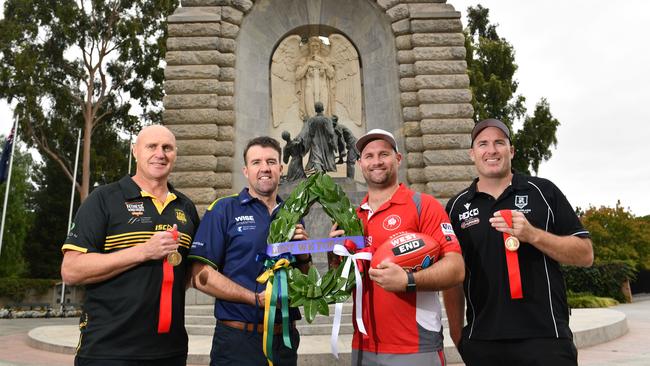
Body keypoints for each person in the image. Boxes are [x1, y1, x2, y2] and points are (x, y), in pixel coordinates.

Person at [443, 118, 594, 366]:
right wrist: (458, 334)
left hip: (546, 338)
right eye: (483, 144)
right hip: (484, 341)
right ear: (472, 154)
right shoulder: (457, 207)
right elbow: (453, 278)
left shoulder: (543, 192)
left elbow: (585, 255)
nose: (491, 150)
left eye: (499, 143)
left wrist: (533, 235)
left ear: (511, 150)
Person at [60, 125, 200, 366]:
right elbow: (71, 270)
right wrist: (143, 252)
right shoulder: (103, 199)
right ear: (134, 151)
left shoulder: (185, 207)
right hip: (108, 350)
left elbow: (186, 273)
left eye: (167, 148)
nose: (160, 154)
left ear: (175, 154)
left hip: (170, 351)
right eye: (151, 146)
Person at [330, 128, 465, 365]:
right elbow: (343, 283)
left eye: (384, 154)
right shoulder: (351, 217)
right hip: (363, 347)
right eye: (369, 156)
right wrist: (334, 254)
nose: (376, 162)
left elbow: (456, 268)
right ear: (360, 164)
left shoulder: (424, 205)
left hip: (414, 346)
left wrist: (408, 281)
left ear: (398, 159)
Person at [188, 136, 312, 366]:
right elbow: (198, 275)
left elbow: (302, 279)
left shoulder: (293, 215)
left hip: (284, 342)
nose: (264, 168)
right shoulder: (223, 210)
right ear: (246, 170)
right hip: (237, 342)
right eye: (256, 162)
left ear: (281, 168)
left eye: (271, 162)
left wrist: (304, 256)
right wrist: (255, 299)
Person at [295, 36, 335, 118]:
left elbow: (331, 74)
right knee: (311, 114)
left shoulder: (326, 60)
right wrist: (308, 64)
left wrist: (321, 61)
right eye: (312, 46)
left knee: (323, 113)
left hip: (323, 87)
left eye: (317, 46)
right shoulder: (304, 60)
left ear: (320, 47)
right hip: (309, 87)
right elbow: (298, 76)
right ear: (309, 47)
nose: (315, 48)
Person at [304, 102, 337, 173]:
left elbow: (310, 133)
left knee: (317, 159)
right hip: (325, 142)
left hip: (315, 142)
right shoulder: (327, 119)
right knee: (325, 159)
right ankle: (321, 176)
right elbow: (331, 132)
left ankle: (320, 175)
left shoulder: (312, 120)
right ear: (322, 109)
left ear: (315, 109)